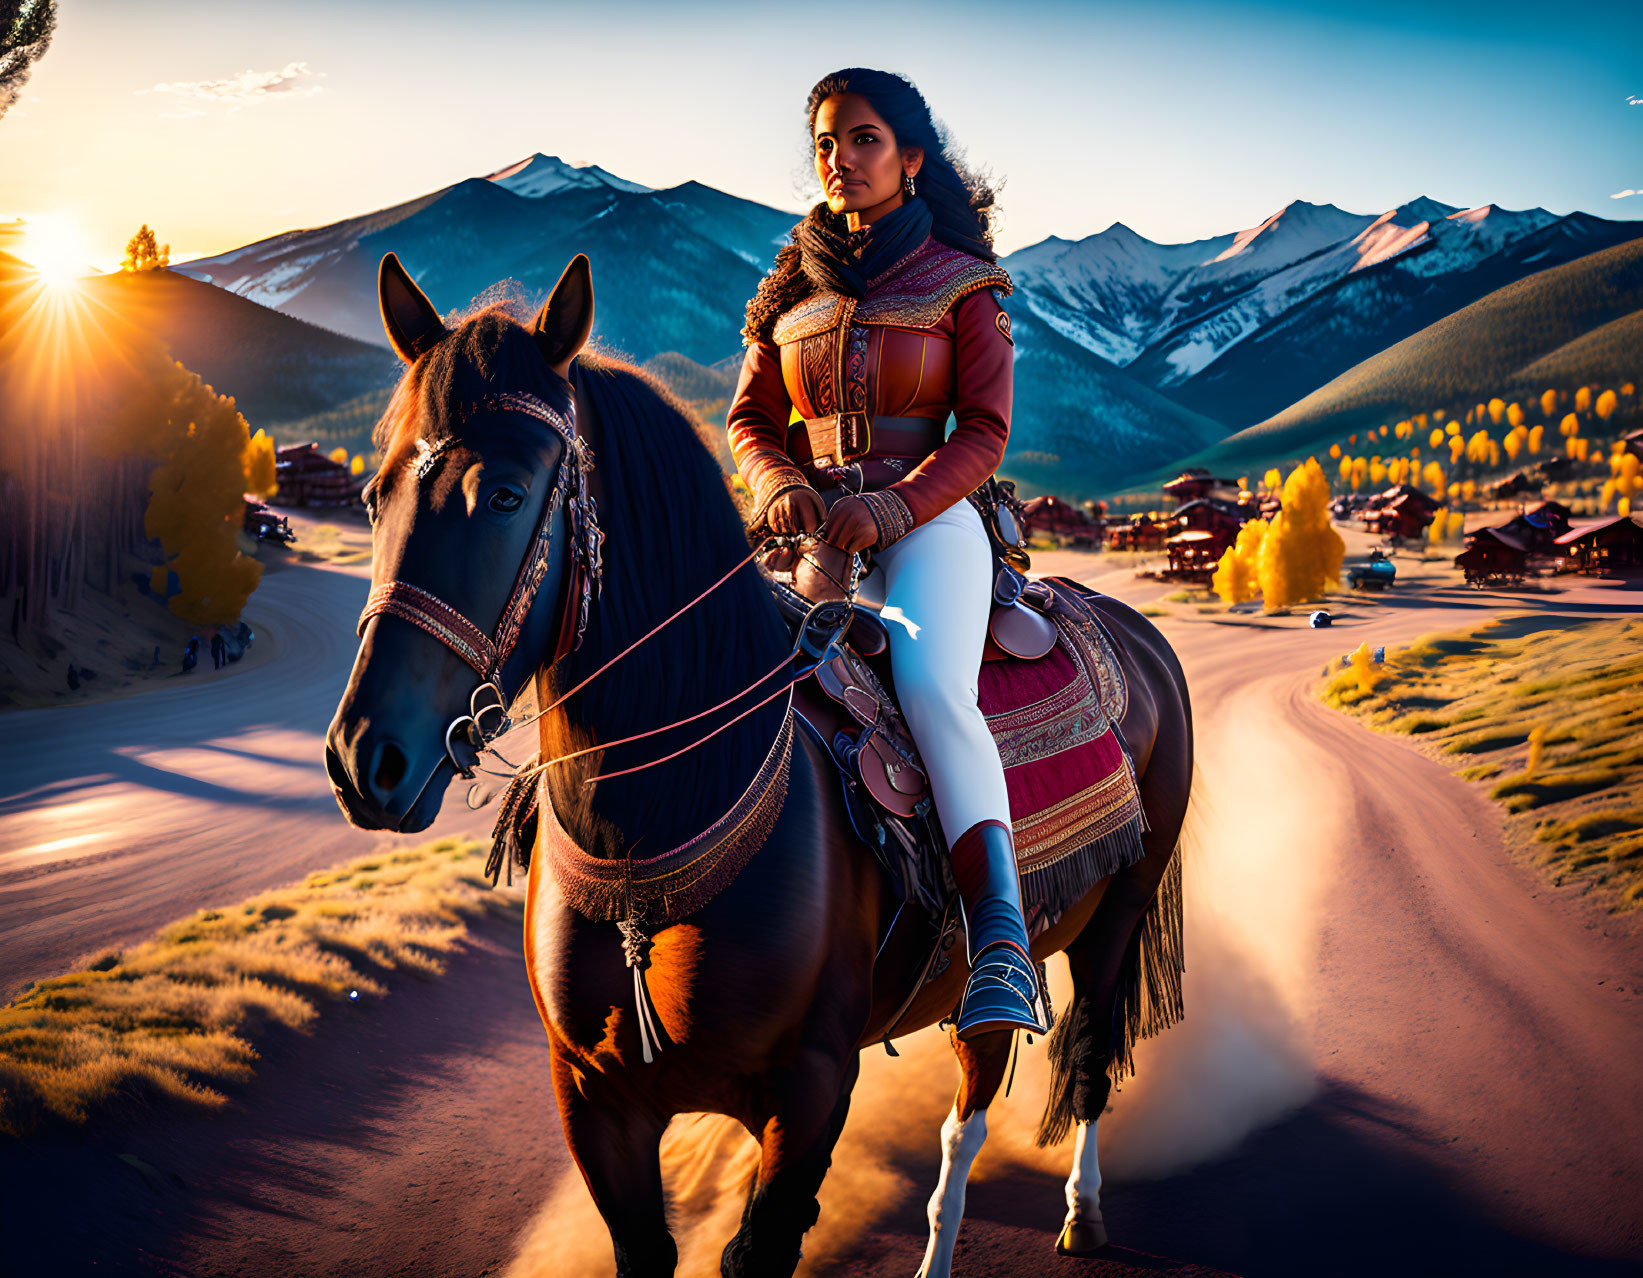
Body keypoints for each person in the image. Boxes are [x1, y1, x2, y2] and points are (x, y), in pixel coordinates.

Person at [726, 68, 1043, 1039]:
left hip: (932, 529)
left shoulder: (963, 285)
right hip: (810, 540)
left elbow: (984, 432)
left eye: (861, 140)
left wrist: (899, 510)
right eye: (825, 142)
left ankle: (999, 945)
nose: (839, 159)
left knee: (930, 688)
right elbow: (749, 418)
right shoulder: (787, 287)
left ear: (909, 159)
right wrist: (776, 481)